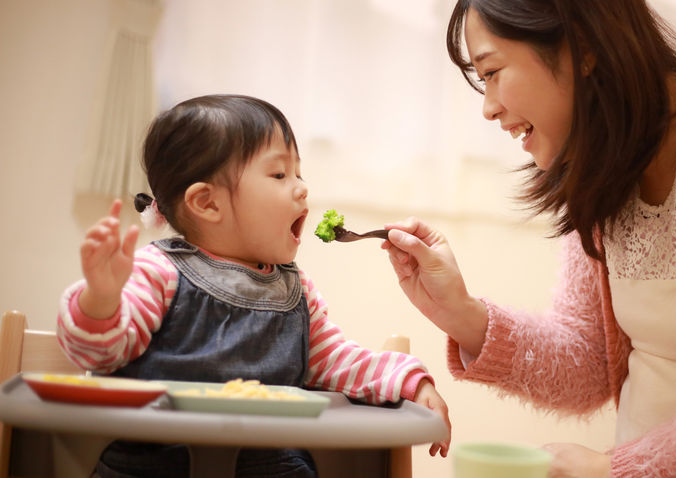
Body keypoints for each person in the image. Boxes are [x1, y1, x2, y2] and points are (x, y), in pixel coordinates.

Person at [381, 0, 676, 477]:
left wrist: (612, 468)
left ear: (583, 48)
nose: (488, 107)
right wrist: (462, 315)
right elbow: (588, 363)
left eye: (493, 71)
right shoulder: (604, 160)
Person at [57, 94, 451, 478]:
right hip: (153, 463)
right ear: (207, 203)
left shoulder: (295, 291)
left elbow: (336, 360)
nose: (301, 188)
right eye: (280, 174)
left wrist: (410, 383)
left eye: (299, 173)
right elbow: (99, 355)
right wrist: (102, 299)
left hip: (271, 465)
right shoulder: (157, 272)